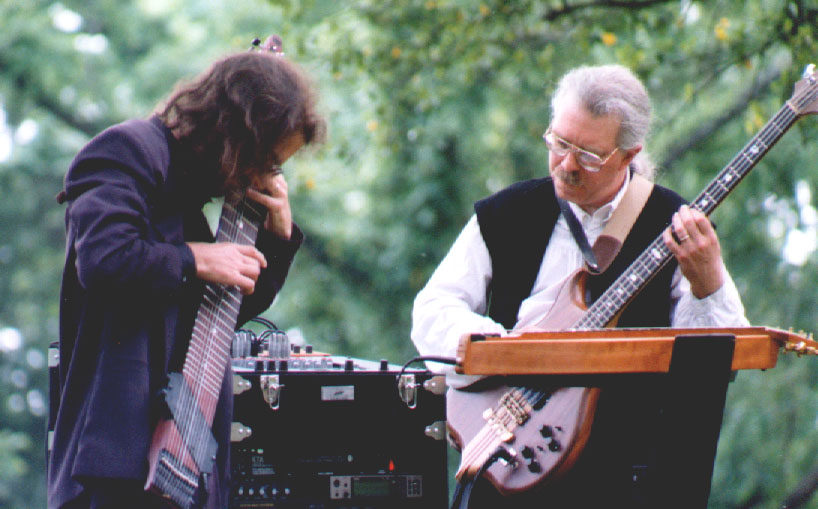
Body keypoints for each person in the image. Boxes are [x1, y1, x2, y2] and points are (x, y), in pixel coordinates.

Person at [411, 64, 748, 507]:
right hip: (509, 462)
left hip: (623, 484)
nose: (566, 165)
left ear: (630, 154)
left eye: (588, 155)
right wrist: (505, 350)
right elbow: (434, 309)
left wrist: (708, 284)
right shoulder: (507, 212)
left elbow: (716, 364)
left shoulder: (677, 226)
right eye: (560, 143)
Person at [48, 37, 325, 508]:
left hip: (189, 462)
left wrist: (276, 243)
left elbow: (214, 322)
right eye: (268, 161)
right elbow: (103, 260)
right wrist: (196, 258)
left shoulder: (187, 199)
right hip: (116, 463)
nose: (267, 177)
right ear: (238, 135)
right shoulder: (126, 152)